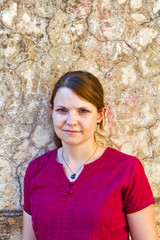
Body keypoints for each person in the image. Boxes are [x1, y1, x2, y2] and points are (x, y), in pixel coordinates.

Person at [22, 71, 158, 240]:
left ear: (100, 115)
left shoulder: (127, 169)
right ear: (52, 112)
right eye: (62, 110)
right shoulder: (36, 170)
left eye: (83, 111)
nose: (71, 121)